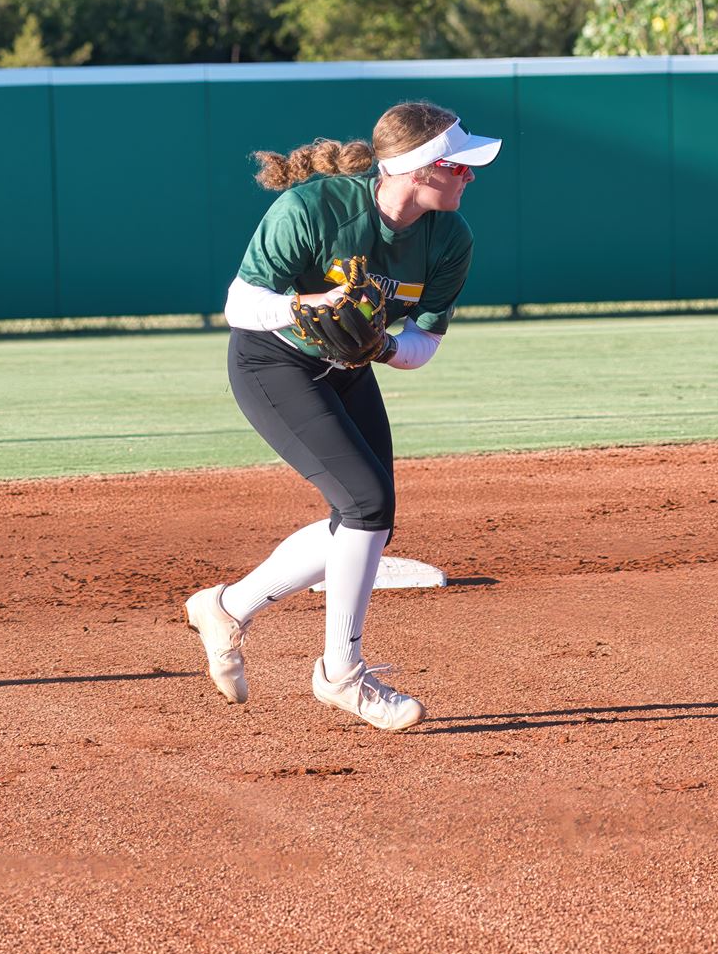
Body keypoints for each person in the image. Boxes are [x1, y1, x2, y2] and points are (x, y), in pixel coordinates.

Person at [182, 101, 500, 730]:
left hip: (349, 366)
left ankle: (226, 607)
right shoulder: (314, 209)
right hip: (273, 363)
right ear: (420, 170)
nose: (470, 175)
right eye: (458, 167)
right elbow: (241, 306)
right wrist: (312, 305)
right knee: (366, 505)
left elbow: (423, 346)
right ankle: (341, 676)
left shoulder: (449, 239)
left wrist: (380, 345)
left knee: (368, 518)